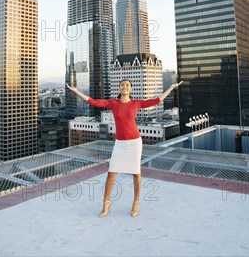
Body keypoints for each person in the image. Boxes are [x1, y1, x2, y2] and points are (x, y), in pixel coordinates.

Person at [66, 79, 183, 218]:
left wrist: (171, 87)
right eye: (122, 85)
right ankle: (106, 203)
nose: (124, 87)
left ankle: (136, 202)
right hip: (120, 144)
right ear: (119, 88)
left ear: (131, 89)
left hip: (134, 142)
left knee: (135, 173)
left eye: (127, 85)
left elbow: (157, 101)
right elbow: (93, 101)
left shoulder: (136, 103)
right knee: (111, 173)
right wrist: (76, 91)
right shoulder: (113, 103)